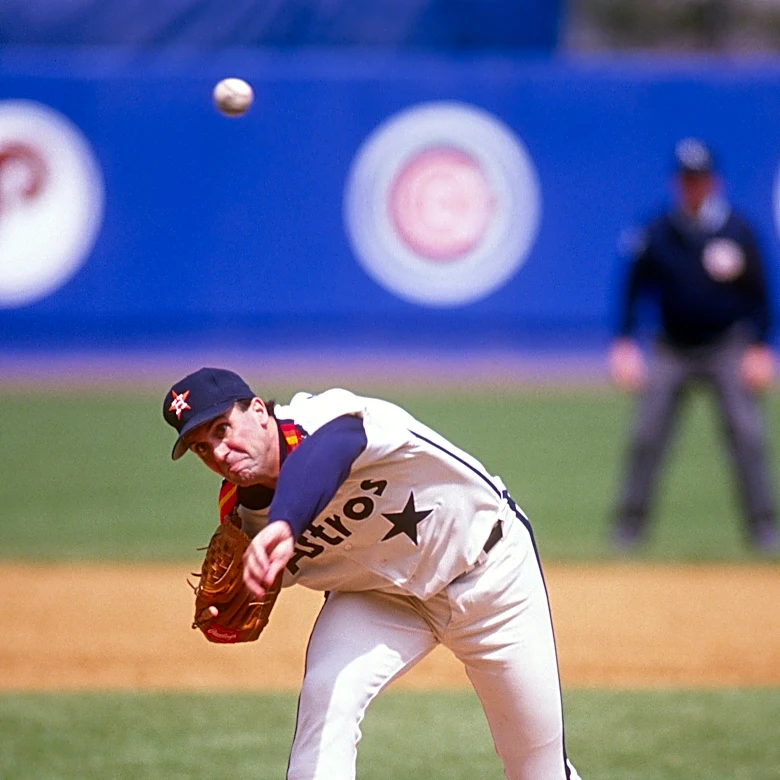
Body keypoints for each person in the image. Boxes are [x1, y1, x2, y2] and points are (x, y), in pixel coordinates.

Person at [163, 366, 582, 780]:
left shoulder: (325, 418)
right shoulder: (242, 516)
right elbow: (252, 590)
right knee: (327, 696)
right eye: (202, 448)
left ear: (257, 410)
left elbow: (335, 447)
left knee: (536, 768)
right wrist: (228, 616)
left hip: (490, 573)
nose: (218, 453)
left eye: (221, 430)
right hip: (381, 600)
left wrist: (286, 521)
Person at [609, 137, 779, 553]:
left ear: (713, 182)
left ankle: (763, 529)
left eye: (699, 178)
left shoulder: (737, 229)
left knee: (746, 435)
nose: (693, 186)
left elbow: (760, 293)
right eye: (686, 179)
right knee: (647, 436)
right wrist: (625, 342)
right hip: (672, 347)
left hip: (726, 345)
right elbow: (632, 287)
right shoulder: (658, 231)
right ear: (677, 182)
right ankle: (629, 529)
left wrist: (760, 346)